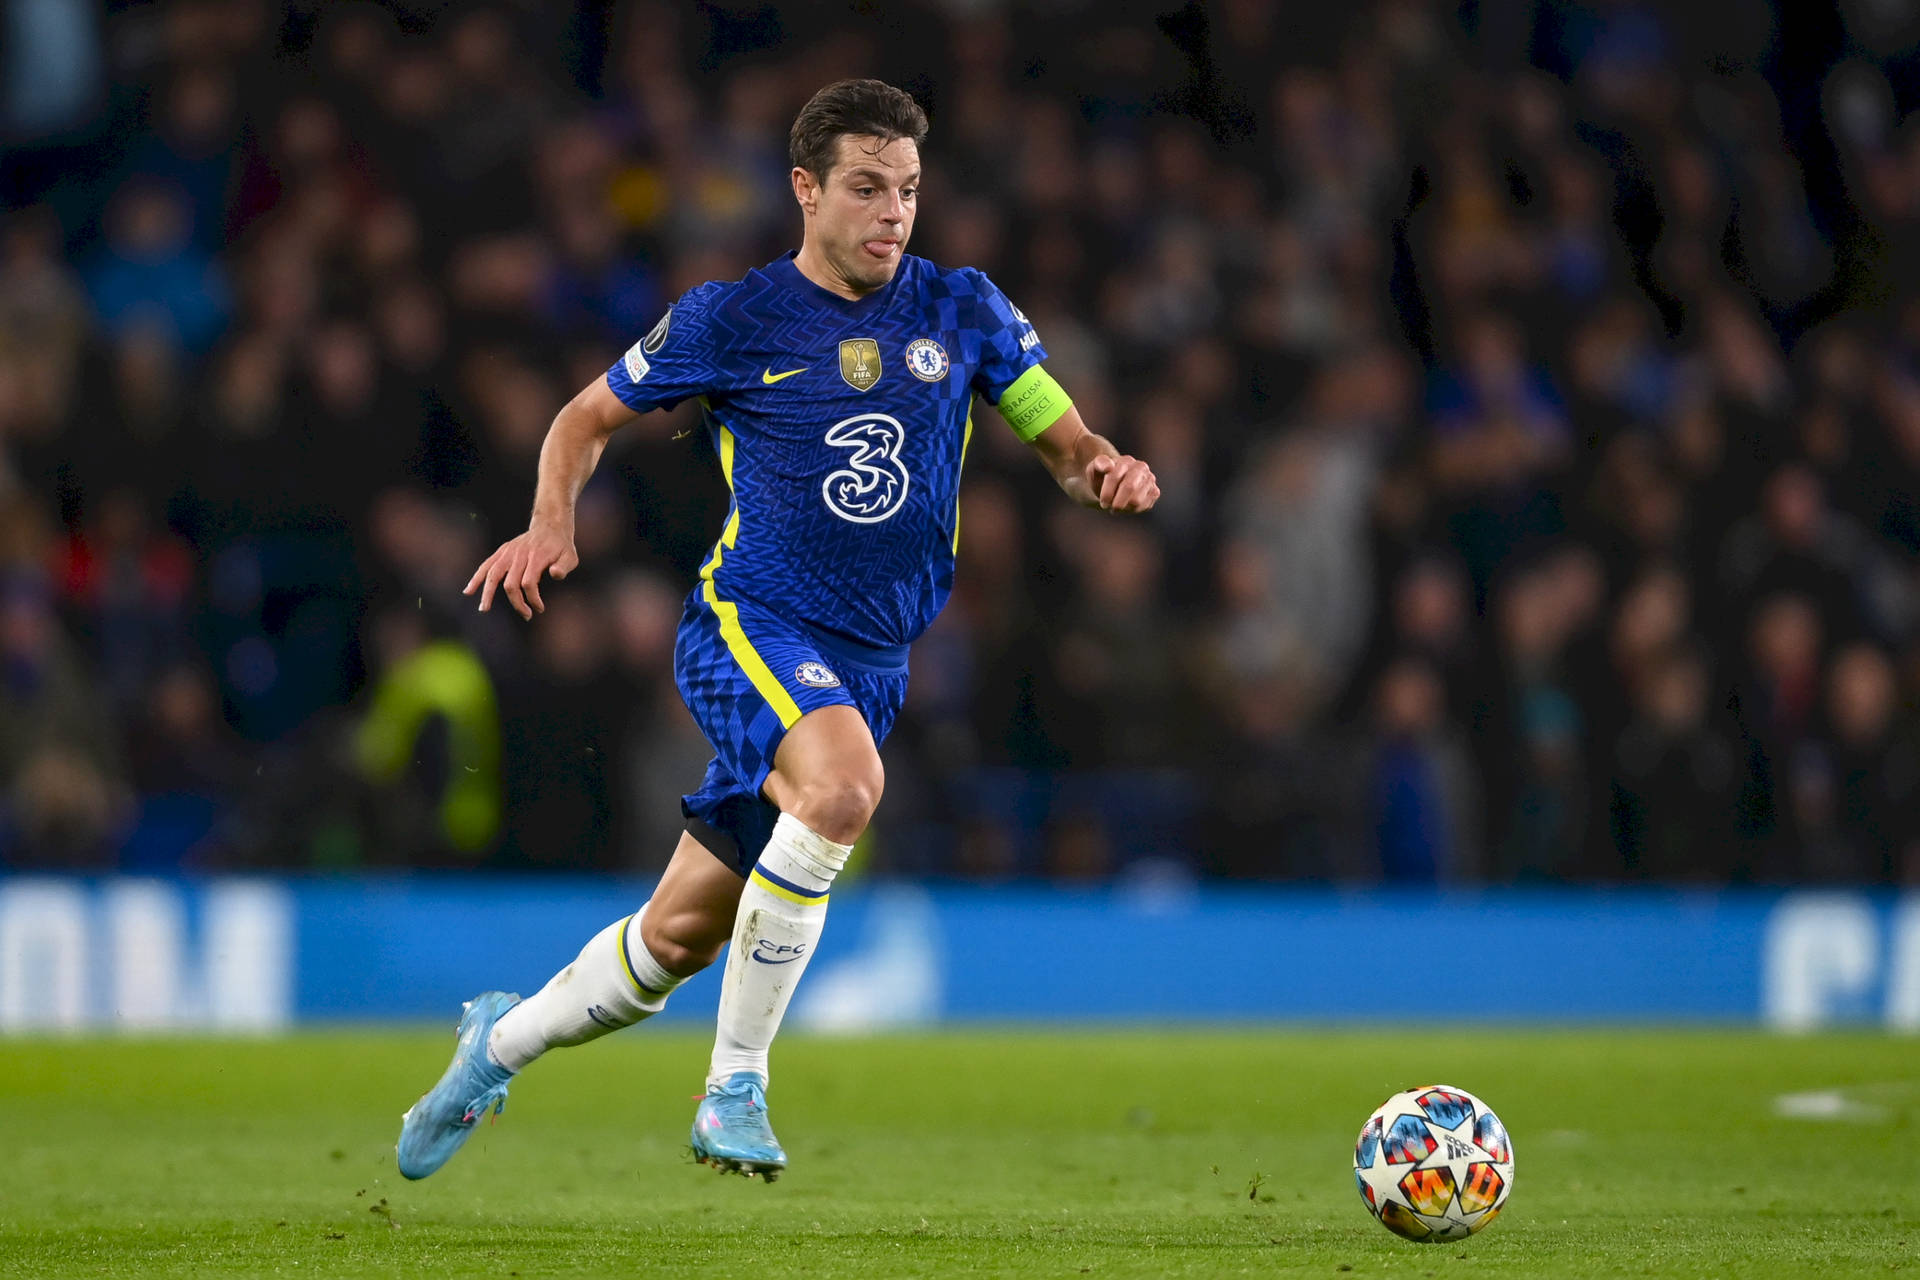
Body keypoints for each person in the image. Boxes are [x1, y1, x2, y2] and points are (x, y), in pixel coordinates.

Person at [396, 79, 1159, 1182]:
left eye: (906, 190)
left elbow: (1061, 435)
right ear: (804, 189)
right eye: (865, 188)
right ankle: (734, 1085)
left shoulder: (964, 311)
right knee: (845, 789)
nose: (893, 213)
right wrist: (548, 525)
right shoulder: (735, 317)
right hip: (751, 622)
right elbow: (583, 417)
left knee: (673, 942)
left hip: (871, 659)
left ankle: (492, 1046)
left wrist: (1107, 470)